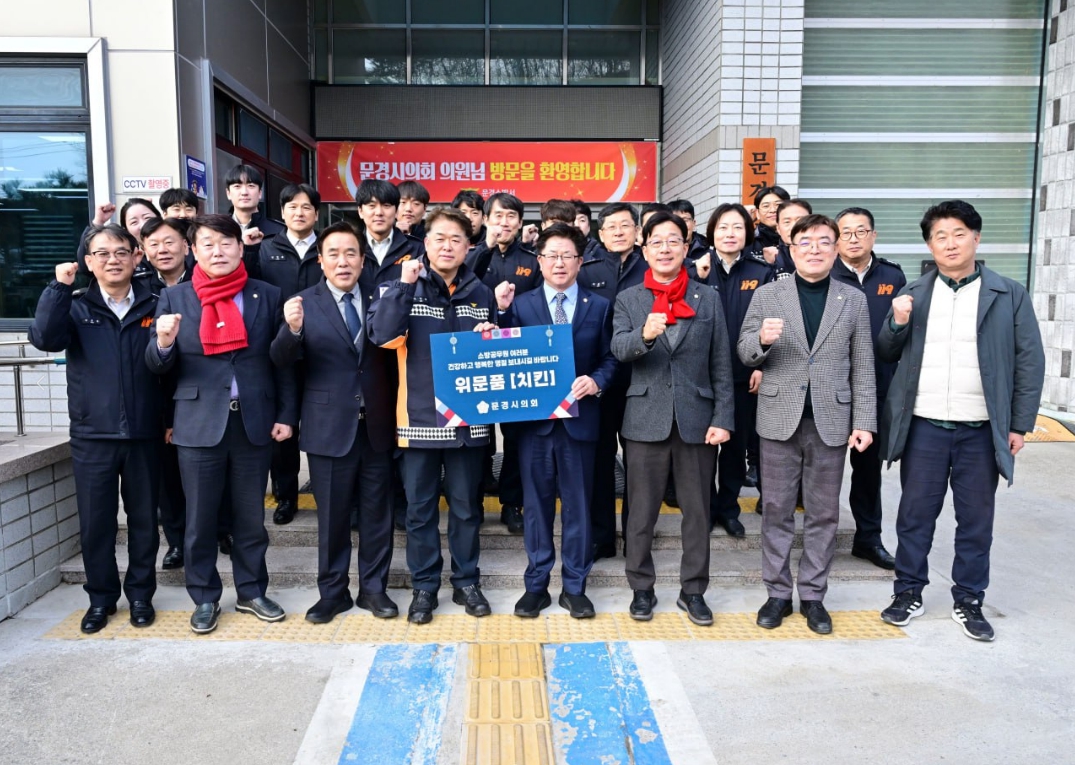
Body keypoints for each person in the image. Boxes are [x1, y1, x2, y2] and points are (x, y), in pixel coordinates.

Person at [876, 200, 1045, 642]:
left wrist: (1018, 425)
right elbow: (886, 352)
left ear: (976, 238)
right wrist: (897, 322)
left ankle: (969, 598)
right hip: (924, 426)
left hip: (980, 429)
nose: (949, 244)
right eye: (940, 236)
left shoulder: (1008, 294)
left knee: (975, 521)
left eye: (958, 234)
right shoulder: (915, 293)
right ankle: (908, 591)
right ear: (929, 245)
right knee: (915, 516)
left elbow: (1030, 362)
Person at [146, 213, 296, 634]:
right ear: (193, 251)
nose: (218, 251)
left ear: (240, 247)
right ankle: (205, 596)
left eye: (226, 242)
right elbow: (157, 368)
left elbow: (282, 361)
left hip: (253, 421)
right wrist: (163, 342)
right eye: (208, 244)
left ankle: (251, 591)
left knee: (250, 517)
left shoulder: (266, 294)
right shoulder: (175, 298)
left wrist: (286, 414)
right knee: (200, 520)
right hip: (197, 422)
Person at [367, 207, 515, 625]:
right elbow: (383, 336)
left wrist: (495, 328)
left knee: (467, 509)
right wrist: (404, 286)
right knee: (420, 511)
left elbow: (495, 354)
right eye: (439, 238)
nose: (447, 246)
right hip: (419, 420)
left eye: (456, 239)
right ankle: (425, 586)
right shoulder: (401, 285)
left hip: (470, 422)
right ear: (425, 243)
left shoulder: (481, 292)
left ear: (469, 247)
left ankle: (467, 581)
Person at [738, 213, 876, 635]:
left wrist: (864, 421)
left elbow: (863, 364)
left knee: (823, 514)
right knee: (776, 510)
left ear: (836, 249)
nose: (814, 249)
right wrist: (762, 340)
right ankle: (778, 593)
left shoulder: (852, 299)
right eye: (805, 242)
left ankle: (814, 595)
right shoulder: (768, 295)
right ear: (791, 249)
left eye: (823, 242)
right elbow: (744, 351)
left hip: (831, 420)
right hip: (779, 418)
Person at [30, 224, 162, 633]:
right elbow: (45, 339)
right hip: (92, 436)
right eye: (102, 253)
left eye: (121, 251)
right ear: (88, 261)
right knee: (96, 523)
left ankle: (140, 595)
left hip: (144, 433)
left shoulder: (157, 303)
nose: (112, 260)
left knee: (143, 522)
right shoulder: (74, 306)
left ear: (136, 257)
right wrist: (57, 288)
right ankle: (101, 599)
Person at [271, 222, 399, 624]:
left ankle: (373, 589)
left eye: (350, 254)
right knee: (332, 518)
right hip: (327, 426)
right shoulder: (302, 304)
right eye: (334, 254)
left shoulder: (382, 298)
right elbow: (280, 360)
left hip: (377, 425)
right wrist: (292, 330)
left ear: (363, 260)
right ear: (321, 261)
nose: (343, 262)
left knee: (378, 515)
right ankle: (332, 592)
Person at [611, 211, 734, 627]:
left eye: (673, 241)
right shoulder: (629, 298)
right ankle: (641, 588)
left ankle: (693, 590)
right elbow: (619, 349)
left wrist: (723, 417)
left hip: (697, 420)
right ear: (644, 250)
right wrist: (644, 336)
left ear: (686, 247)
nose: (665, 249)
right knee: (640, 513)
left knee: (698, 513)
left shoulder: (707, 297)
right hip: (645, 419)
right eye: (656, 242)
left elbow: (721, 364)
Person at [507, 223, 617, 619]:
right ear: (539, 261)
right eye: (551, 255)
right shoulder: (521, 305)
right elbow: (504, 354)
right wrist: (492, 326)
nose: (559, 262)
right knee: (536, 508)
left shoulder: (599, 306)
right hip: (534, 424)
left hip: (579, 421)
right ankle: (536, 585)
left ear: (580, 262)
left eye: (567, 255)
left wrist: (597, 381)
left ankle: (575, 586)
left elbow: (610, 357)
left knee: (578, 508)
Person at [830, 207, 906, 570]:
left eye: (861, 231)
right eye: (846, 232)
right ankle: (818, 539)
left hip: (876, 388)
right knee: (822, 470)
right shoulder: (825, 273)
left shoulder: (892, 275)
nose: (854, 238)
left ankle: (868, 539)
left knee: (868, 470)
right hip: (830, 388)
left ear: (873, 236)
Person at [465, 192, 542, 534]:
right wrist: (485, 246)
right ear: (485, 220)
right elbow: (458, 284)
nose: (504, 222)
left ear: (520, 222)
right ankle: (474, 501)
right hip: (475, 356)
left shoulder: (532, 260)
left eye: (511, 216)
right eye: (497, 216)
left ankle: (512, 503)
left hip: (516, 357)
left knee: (515, 436)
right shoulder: (471, 256)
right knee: (476, 434)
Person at [581, 202, 649, 560]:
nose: (619, 232)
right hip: (601, 383)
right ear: (601, 234)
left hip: (644, 378)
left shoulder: (652, 266)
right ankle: (602, 537)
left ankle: (636, 537)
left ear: (637, 231)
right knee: (600, 460)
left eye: (625, 225)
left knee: (639, 463)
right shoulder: (586, 270)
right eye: (611, 227)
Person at [703, 203, 775, 537]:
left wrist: (764, 364)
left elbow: (774, 322)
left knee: (735, 448)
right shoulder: (696, 269)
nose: (729, 234)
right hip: (702, 376)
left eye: (737, 227)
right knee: (702, 449)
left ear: (748, 233)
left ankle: (728, 509)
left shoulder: (761, 272)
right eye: (723, 227)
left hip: (745, 373)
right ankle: (704, 509)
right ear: (711, 233)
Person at [256, 183, 324, 526]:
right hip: (279, 350)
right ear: (282, 213)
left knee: (321, 423)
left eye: (306, 207)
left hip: (322, 351)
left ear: (317, 213)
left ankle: (327, 492)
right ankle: (286, 496)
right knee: (283, 426)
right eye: (292, 207)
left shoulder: (327, 247)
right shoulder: (264, 249)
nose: (299, 212)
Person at [139, 217, 196, 570]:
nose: (162, 250)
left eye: (169, 242)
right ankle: (176, 540)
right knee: (167, 475)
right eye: (154, 244)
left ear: (186, 246)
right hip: (155, 392)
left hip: (198, 389)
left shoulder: (203, 281)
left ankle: (221, 531)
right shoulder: (140, 289)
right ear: (143, 250)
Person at [224, 164, 284, 277]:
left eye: (251, 186)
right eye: (237, 186)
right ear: (228, 193)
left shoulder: (278, 231)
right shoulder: (219, 229)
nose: (244, 192)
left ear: (260, 193)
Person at [746, 185, 790, 260]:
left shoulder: (797, 239)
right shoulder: (748, 241)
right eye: (766, 206)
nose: (772, 210)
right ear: (757, 213)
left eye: (778, 205)